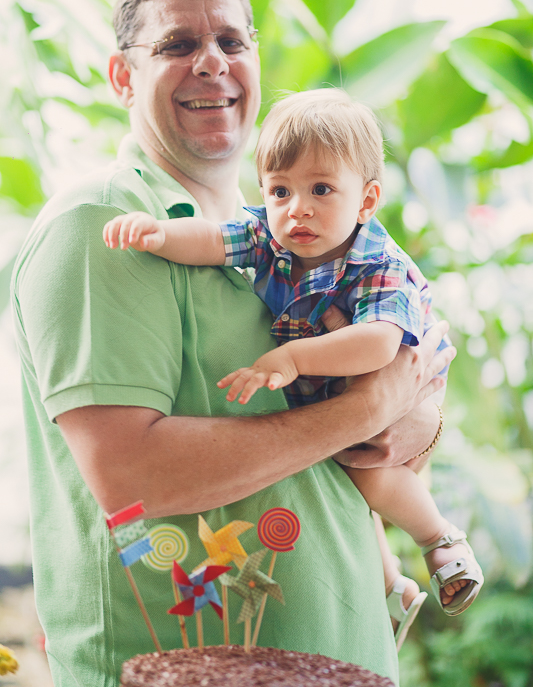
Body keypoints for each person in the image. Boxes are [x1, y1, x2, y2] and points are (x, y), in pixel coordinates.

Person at [11, 0, 454, 687]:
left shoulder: (289, 236)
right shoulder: (104, 226)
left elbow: (384, 419)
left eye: (231, 43)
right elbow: (133, 475)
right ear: (122, 78)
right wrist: (372, 404)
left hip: (334, 658)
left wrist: (411, 415)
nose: (210, 62)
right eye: (176, 45)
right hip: (179, 668)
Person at [104, 88, 483, 644]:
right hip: (334, 394)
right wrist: (160, 235)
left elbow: (379, 346)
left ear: (367, 200)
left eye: (321, 189)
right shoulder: (270, 236)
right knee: (347, 473)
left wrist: (293, 357)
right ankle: (390, 584)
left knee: (369, 473)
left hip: (396, 377)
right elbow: (213, 240)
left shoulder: (376, 263)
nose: (296, 208)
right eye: (279, 190)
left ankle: (441, 540)